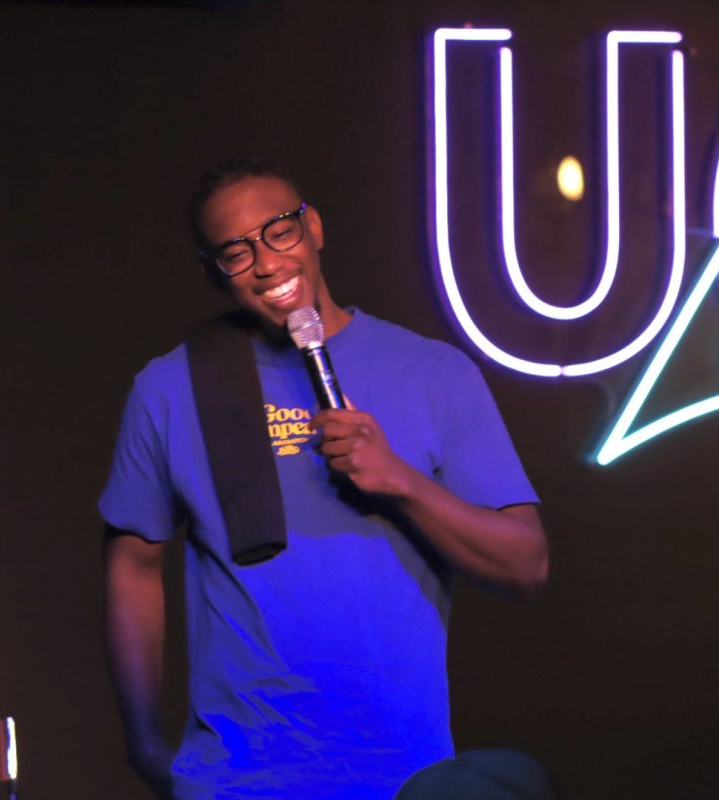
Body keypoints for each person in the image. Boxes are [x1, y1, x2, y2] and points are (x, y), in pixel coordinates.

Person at [99, 158, 548, 800]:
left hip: (405, 776)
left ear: (312, 227)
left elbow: (525, 566)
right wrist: (143, 742)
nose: (266, 262)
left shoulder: (433, 372)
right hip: (238, 779)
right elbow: (132, 565)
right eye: (235, 252)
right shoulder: (172, 388)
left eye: (279, 232)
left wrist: (401, 480)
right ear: (215, 272)